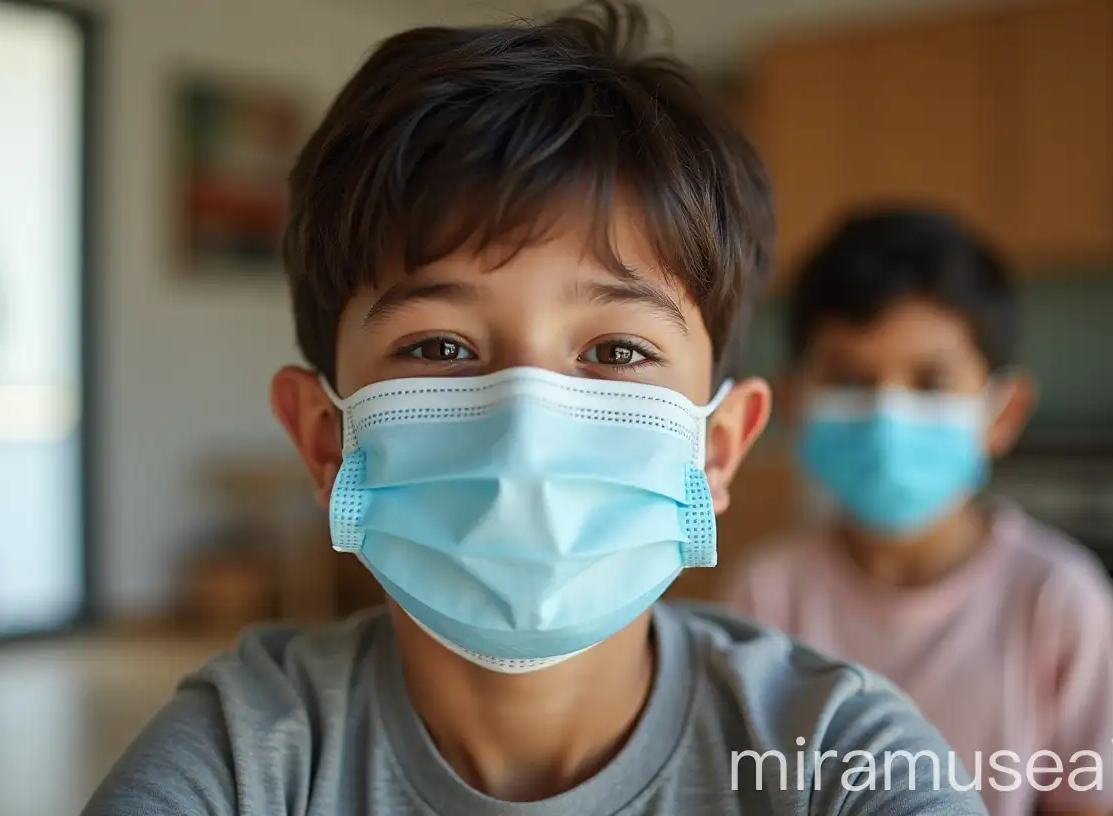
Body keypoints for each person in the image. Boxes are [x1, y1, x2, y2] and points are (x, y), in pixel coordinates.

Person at [83, 5, 988, 815]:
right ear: (327, 439)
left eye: (616, 351)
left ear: (716, 448)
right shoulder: (247, 755)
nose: (526, 422)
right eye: (439, 348)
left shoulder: (835, 757)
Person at [721, 208, 1113, 816]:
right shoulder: (766, 595)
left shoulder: (1059, 600)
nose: (887, 415)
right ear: (794, 403)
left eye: (931, 382)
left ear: (1002, 413)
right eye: (849, 379)